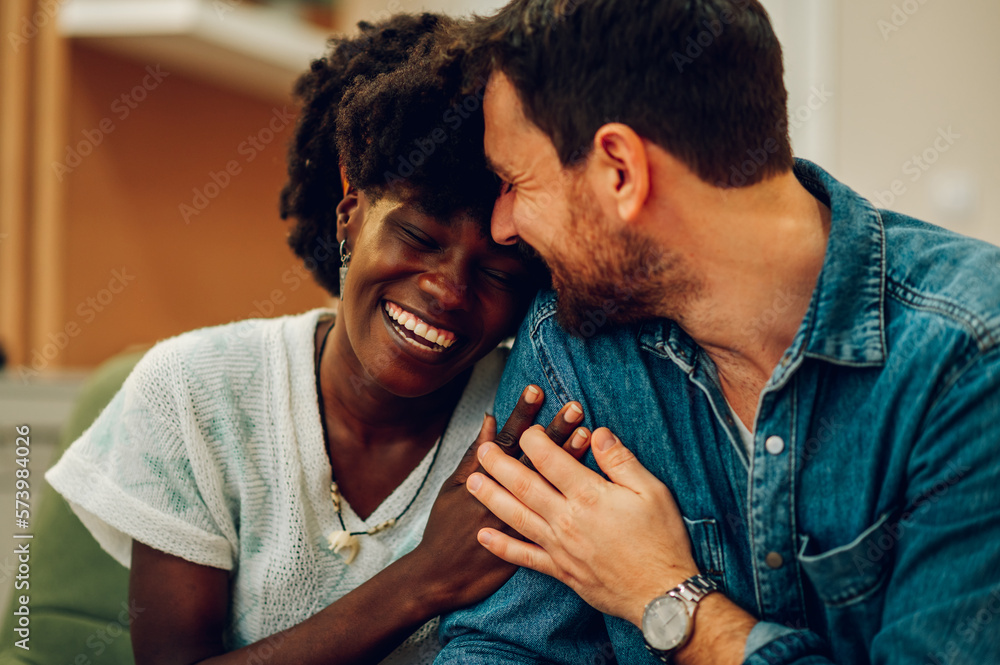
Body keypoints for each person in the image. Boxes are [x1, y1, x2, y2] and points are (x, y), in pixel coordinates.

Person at [432, 0, 1000, 663]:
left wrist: (664, 592)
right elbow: (501, 646)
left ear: (621, 170)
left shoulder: (969, 358)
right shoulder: (572, 343)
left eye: (512, 182)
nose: (503, 227)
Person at [45, 14, 590, 665]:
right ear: (350, 213)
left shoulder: (525, 428)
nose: (448, 290)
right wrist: (422, 580)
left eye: (500, 271)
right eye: (417, 236)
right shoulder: (192, 392)